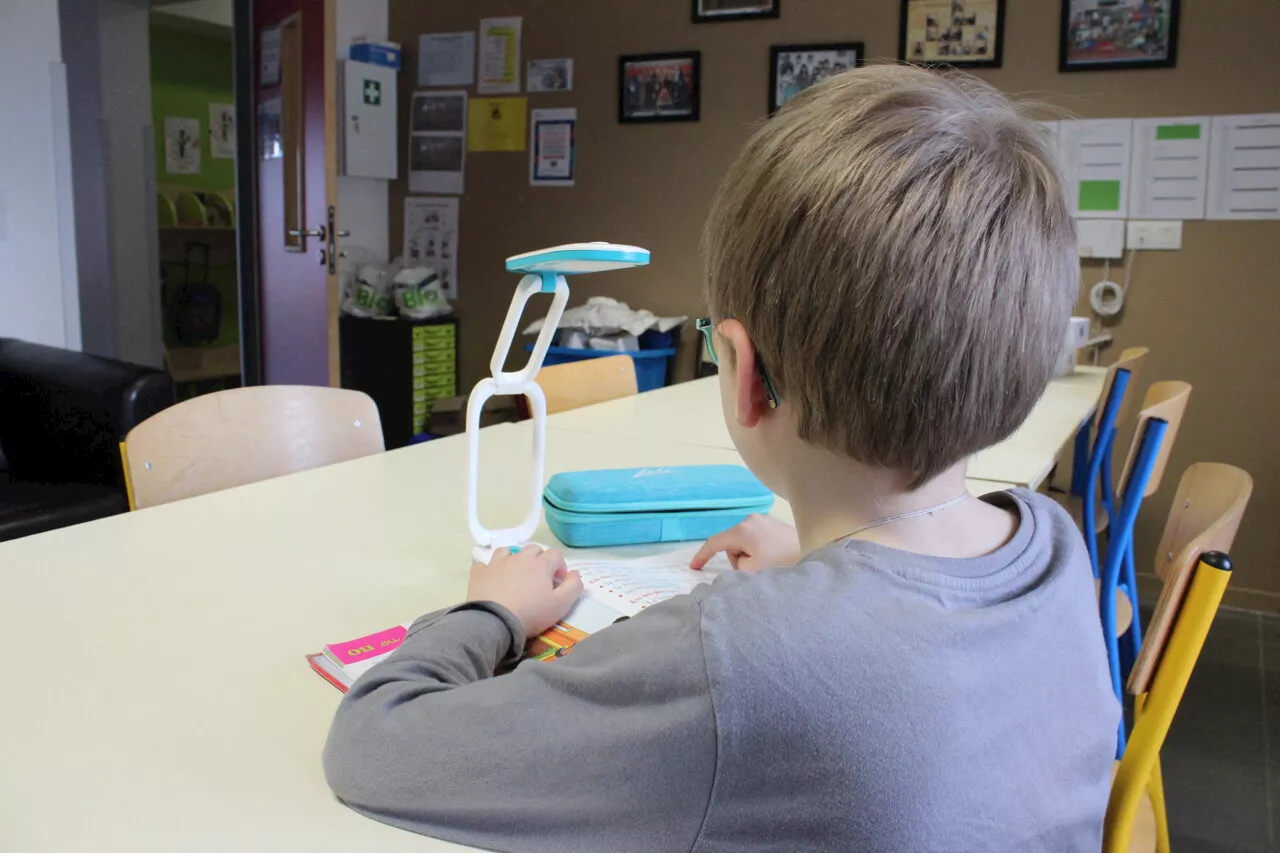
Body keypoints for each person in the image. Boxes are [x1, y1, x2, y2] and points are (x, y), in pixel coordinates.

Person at [323, 65, 1118, 852]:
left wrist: (488, 612)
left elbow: (376, 744)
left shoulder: (737, 658)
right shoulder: (1050, 540)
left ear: (742, 375)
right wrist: (819, 560)